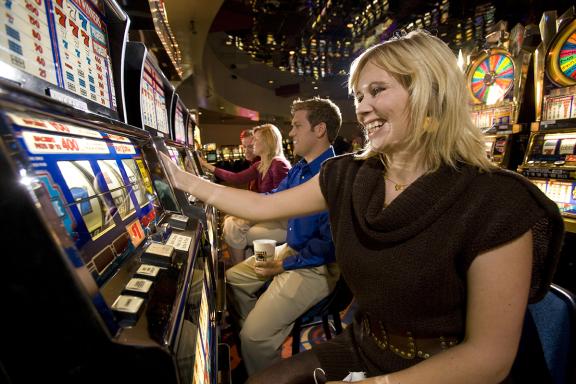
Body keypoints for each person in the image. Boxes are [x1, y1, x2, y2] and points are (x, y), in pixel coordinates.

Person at [159, 30, 564, 384]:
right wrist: (180, 177)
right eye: (358, 95)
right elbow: (265, 206)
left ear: (429, 93)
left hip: (447, 366)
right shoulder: (351, 174)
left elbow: (488, 359)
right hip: (368, 343)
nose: (362, 107)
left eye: (377, 91)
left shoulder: (498, 201)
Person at [225, 97, 342, 375]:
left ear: (319, 129)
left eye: (297, 126)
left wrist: (283, 264)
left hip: (316, 267)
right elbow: (270, 200)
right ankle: (261, 343)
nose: (290, 133)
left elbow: (328, 246)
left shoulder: (335, 173)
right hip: (291, 250)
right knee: (233, 278)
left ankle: (260, 351)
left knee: (254, 337)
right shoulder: (301, 168)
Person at [199, 124, 291, 266]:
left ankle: (240, 267)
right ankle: (241, 267)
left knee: (233, 228)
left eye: (256, 139)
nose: (252, 143)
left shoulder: (278, 164)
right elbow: (236, 178)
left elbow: (280, 200)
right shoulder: (261, 164)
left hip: (281, 220)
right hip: (265, 212)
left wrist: (245, 204)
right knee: (230, 222)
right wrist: (206, 166)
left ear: (267, 141)